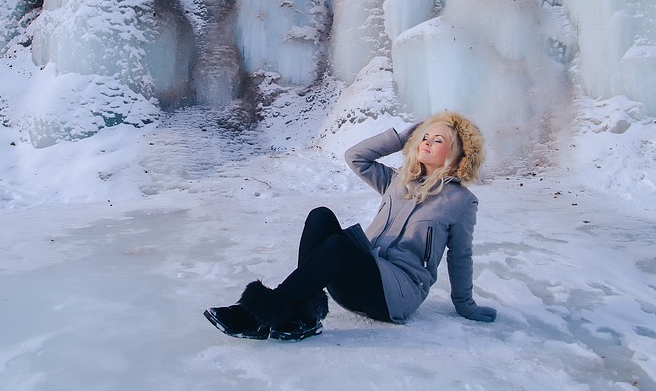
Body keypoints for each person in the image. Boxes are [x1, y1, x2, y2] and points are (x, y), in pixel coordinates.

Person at [204, 111, 496, 341]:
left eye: (438, 140)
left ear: (457, 154)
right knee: (320, 216)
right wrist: (399, 137)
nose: (426, 142)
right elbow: (356, 158)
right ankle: (305, 314)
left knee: (341, 244)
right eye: (425, 136)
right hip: (361, 279)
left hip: (396, 295)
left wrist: (466, 305)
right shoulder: (398, 181)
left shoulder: (460, 201)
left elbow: (461, 257)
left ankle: (259, 314)